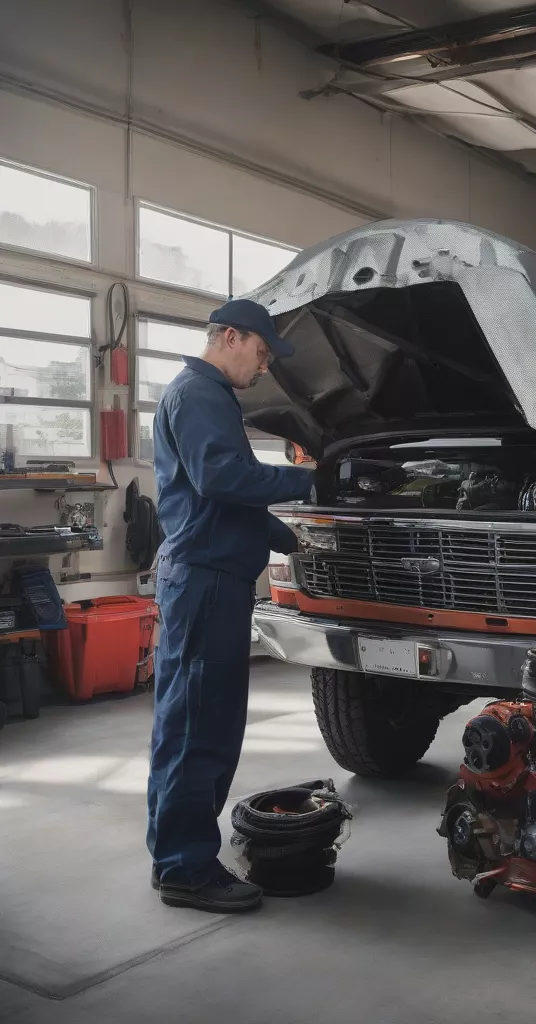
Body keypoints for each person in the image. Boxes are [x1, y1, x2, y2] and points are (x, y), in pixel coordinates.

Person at [147, 298, 313, 913]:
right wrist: (313, 481)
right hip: (206, 582)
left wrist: (287, 534)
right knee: (199, 727)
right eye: (262, 352)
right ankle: (186, 870)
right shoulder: (201, 394)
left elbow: (219, 498)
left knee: (194, 722)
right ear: (229, 336)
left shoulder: (204, 395)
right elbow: (223, 479)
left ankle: (177, 854)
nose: (265, 367)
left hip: (209, 574)